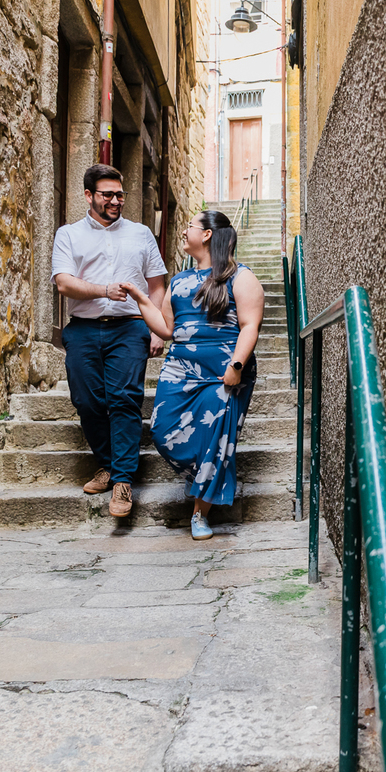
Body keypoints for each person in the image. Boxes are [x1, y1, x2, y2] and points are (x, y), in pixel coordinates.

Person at [121, 210, 264, 540]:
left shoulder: (241, 277)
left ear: (208, 235)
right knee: (162, 430)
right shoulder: (180, 281)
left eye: (190, 227)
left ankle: (200, 512)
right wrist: (143, 299)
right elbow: (167, 329)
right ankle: (204, 476)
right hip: (180, 368)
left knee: (215, 441)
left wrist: (237, 367)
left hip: (224, 372)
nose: (184, 232)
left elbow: (249, 327)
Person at [50, 163, 167, 518]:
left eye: (120, 194)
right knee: (86, 400)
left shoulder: (141, 233)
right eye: (108, 195)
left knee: (124, 399)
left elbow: (157, 284)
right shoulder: (68, 235)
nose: (116, 200)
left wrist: (155, 327)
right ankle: (108, 463)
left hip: (130, 328)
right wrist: (103, 290)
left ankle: (123, 481)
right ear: (89, 196)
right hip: (83, 330)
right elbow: (64, 283)